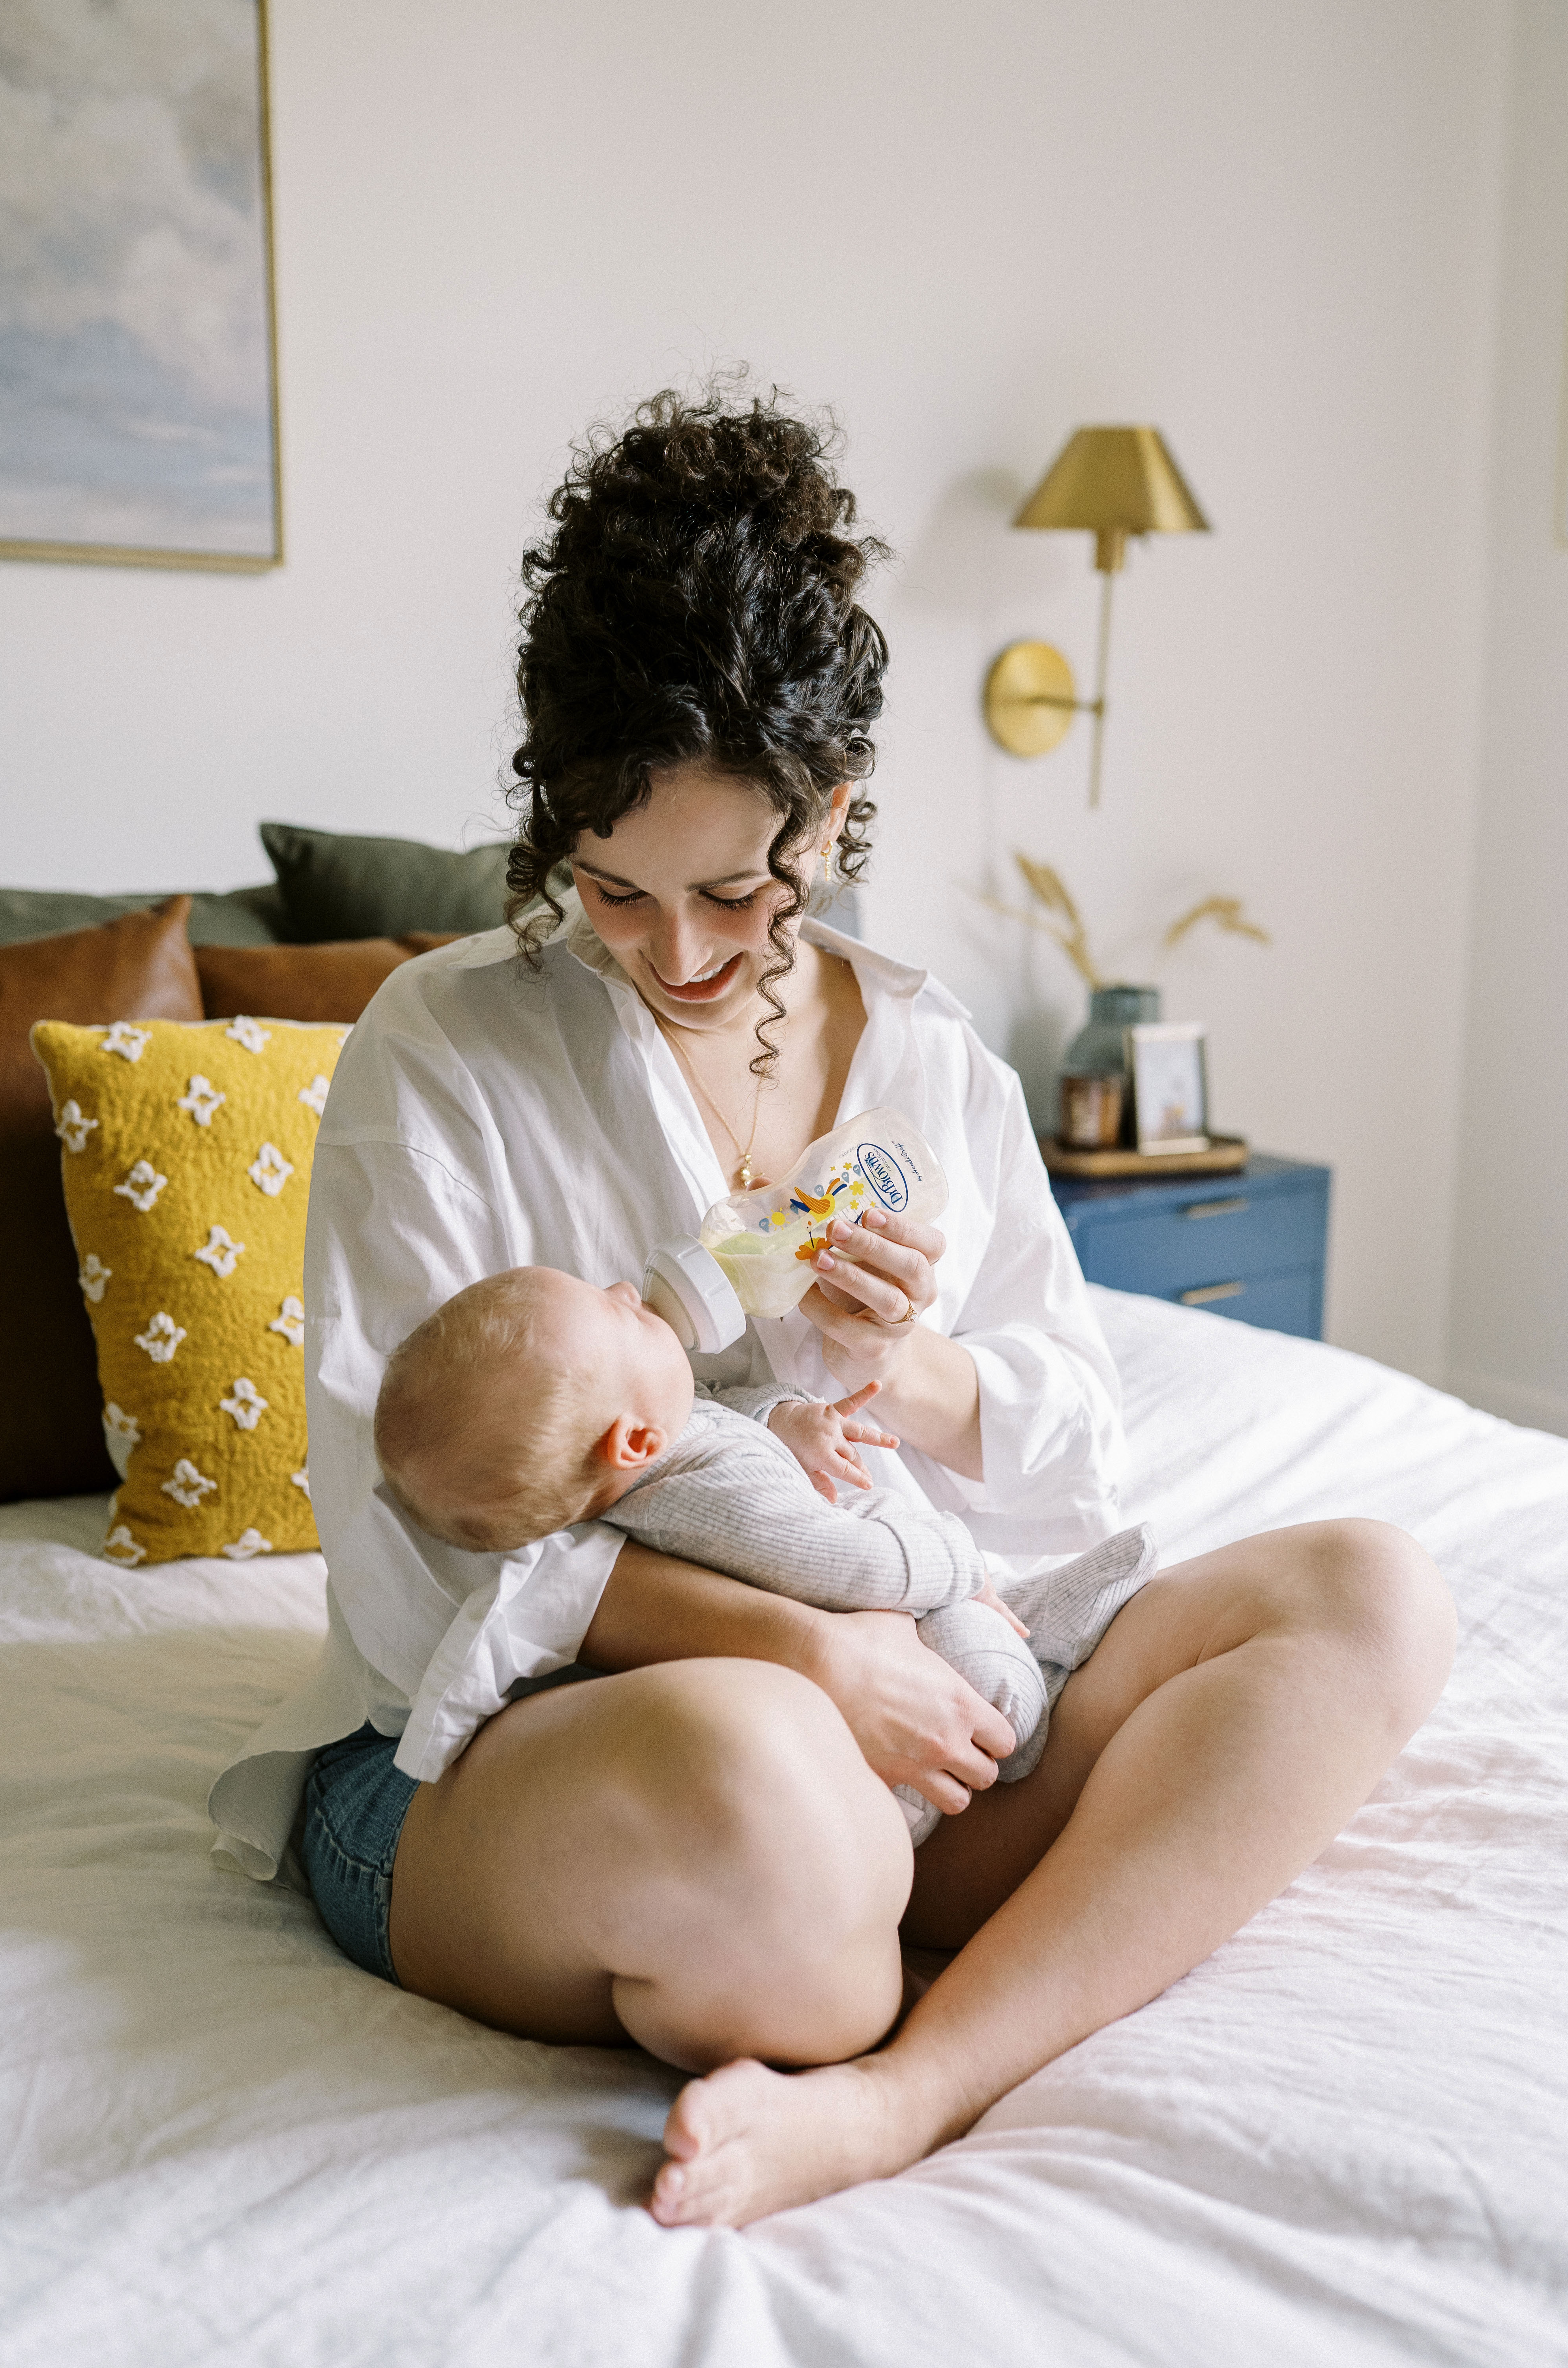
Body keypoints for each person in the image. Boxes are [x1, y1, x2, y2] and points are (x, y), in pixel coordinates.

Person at [208, 386, 1454, 2231]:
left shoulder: (931, 1060)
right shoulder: (444, 1047)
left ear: (833, 811)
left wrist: (916, 1374)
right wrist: (802, 1656)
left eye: (736, 889)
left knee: (1371, 1593)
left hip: (942, 1729)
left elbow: (1077, 1480)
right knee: (759, 1771)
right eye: (613, 889)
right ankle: (853, 1925)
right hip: (543, 1761)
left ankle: (906, 2089)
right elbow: (420, 1558)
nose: (681, 955)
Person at [369, 1262, 1161, 1840]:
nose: (623, 1289)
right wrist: (962, 1562)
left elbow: (714, 1414)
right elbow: (855, 1567)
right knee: (989, 1666)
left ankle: (1028, 1624)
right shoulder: (714, 1502)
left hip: (870, 1613)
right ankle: (1029, 1669)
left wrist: (784, 1419)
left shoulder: (654, 1451)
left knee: (971, 1610)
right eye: (622, 1317)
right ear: (633, 1441)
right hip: (884, 1622)